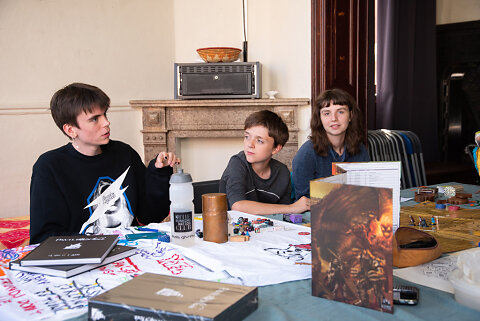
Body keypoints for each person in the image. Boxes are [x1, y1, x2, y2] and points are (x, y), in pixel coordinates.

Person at [30, 83, 180, 244]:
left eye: (104, 114)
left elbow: (150, 216)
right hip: (82, 260)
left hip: (132, 251)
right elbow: (44, 239)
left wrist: (159, 173)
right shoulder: (49, 166)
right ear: (70, 130)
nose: (106, 122)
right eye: (95, 119)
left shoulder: (125, 153)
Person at [219, 110, 310, 215]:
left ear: (276, 148)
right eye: (247, 137)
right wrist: (292, 208)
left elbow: (284, 215)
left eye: (259, 141)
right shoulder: (237, 163)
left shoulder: (282, 173)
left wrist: (290, 209)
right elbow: (238, 206)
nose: (250, 144)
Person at [292, 88, 369, 200]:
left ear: (351, 115)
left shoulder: (360, 149)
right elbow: (303, 200)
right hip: (316, 213)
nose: (334, 119)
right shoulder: (306, 153)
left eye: (341, 112)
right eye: (327, 113)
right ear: (320, 118)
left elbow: (365, 189)